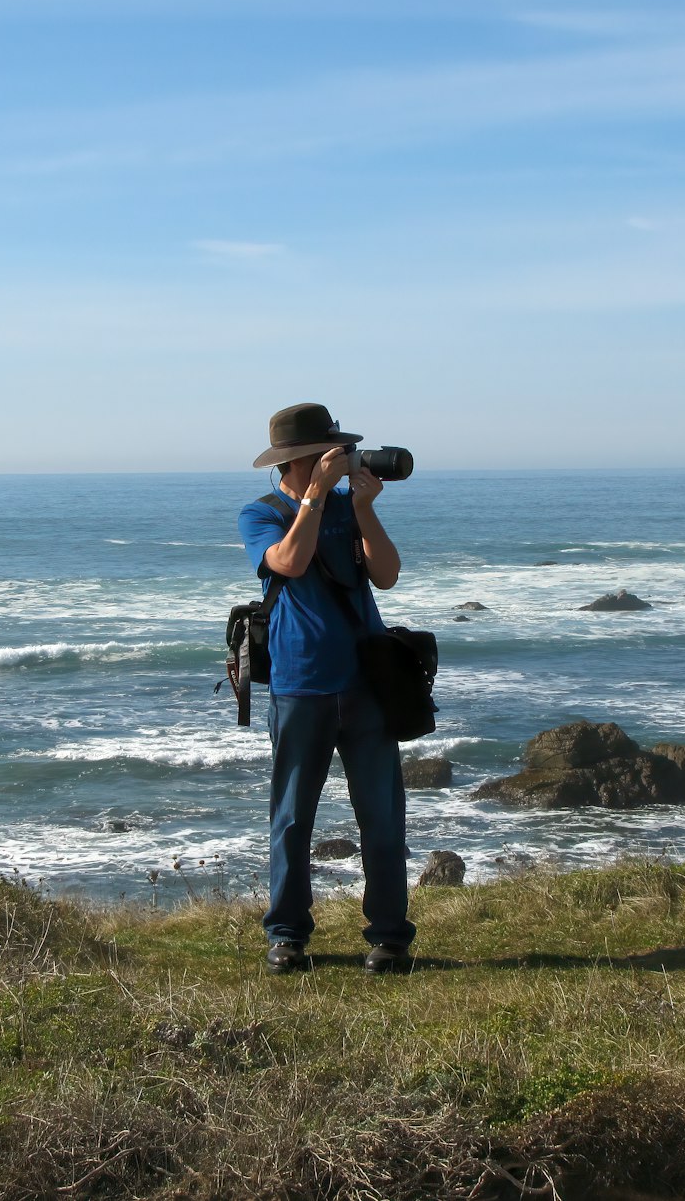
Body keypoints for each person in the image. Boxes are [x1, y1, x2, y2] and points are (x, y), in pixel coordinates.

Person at [238, 403, 416, 974]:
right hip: (300, 684)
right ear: (299, 460)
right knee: (292, 818)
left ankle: (389, 937)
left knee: (382, 818)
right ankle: (287, 937)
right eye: (327, 452)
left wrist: (363, 508)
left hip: (367, 685)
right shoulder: (261, 512)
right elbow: (288, 562)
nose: (337, 459)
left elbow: (385, 574)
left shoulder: (348, 505)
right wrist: (314, 496)